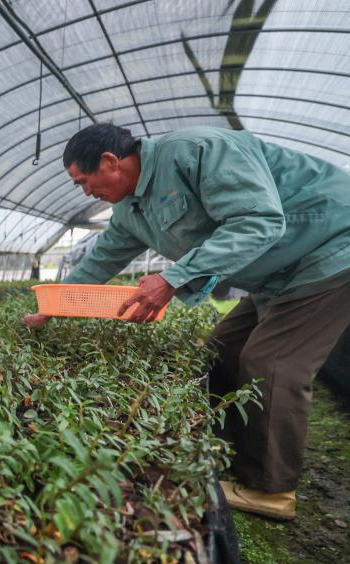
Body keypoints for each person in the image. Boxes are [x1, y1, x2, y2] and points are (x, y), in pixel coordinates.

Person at [25, 123, 350, 521]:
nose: (85, 191)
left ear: (110, 161)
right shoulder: (130, 208)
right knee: (220, 351)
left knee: (273, 363)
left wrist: (172, 278)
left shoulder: (198, 151)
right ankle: (238, 450)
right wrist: (55, 305)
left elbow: (260, 220)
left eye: (84, 180)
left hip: (331, 249)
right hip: (276, 274)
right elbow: (103, 258)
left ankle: (270, 490)